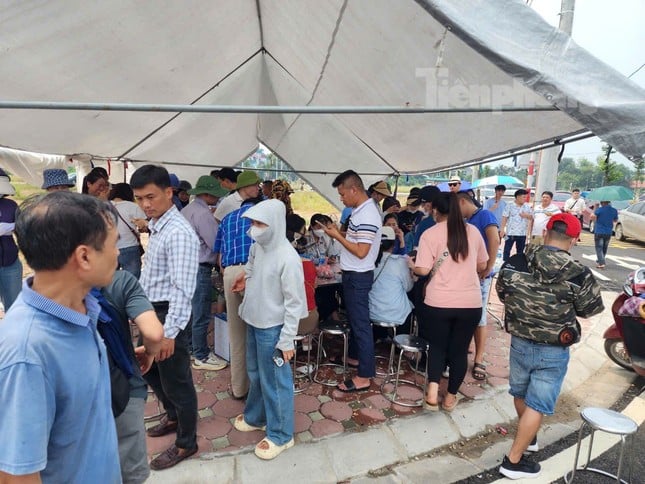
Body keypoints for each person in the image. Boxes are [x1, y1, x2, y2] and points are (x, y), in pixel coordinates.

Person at [0, 192, 121, 482]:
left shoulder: (81, 305)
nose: (118, 253)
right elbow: (17, 475)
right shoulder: (27, 354)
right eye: (113, 244)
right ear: (84, 256)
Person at [496, 213, 603, 479]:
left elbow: (502, 293)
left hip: (519, 342)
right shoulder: (579, 274)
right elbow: (589, 310)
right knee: (538, 404)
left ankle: (527, 437)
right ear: (575, 240)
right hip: (553, 350)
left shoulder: (515, 262)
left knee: (520, 393)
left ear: (545, 233)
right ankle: (513, 461)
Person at [130, 164, 200, 471]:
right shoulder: (158, 223)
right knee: (149, 369)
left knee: (177, 380)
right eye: (139, 198)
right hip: (151, 312)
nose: (145, 204)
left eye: (151, 196)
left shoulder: (179, 232)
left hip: (167, 314)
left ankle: (187, 442)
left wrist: (170, 332)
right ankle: (172, 416)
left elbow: (182, 289)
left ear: (169, 193)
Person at [231, 199, 307, 460]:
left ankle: (281, 434)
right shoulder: (258, 246)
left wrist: (286, 341)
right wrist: (244, 279)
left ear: (274, 224)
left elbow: (295, 303)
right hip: (254, 319)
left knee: (276, 381)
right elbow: (252, 268)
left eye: (259, 223)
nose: (254, 228)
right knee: (256, 373)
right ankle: (257, 416)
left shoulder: (288, 258)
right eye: (252, 223)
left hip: (273, 328)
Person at [412, 192, 488, 412]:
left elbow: (423, 269)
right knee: (458, 351)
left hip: (439, 302)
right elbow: (482, 265)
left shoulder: (430, 233)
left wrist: (413, 265)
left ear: (435, 210)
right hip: (470, 303)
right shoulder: (472, 232)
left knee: (436, 346)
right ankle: (450, 398)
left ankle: (433, 393)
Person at [98, 270, 164, 484]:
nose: (117, 251)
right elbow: (154, 334)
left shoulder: (54, 295)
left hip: (86, 403)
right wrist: (150, 353)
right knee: (131, 473)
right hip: (124, 391)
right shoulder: (119, 281)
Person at [319, 170, 381, 393]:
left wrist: (337, 237)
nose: (341, 198)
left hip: (358, 275)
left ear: (354, 190)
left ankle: (364, 376)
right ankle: (355, 357)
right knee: (356, 322)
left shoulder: (367, 214)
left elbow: (362, 251)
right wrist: (339, 233)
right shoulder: (360, 211)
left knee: (361, 324)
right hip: (353, 274)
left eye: (343, 194)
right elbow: (356, 242)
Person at [213, 194, 263, 399]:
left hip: (231, 271)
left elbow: (219, 256)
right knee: (261, 331)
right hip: (256, 270)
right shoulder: (262, 216)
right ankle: (260, 388)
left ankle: (239, 389)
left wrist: (229, 273)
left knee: (237, 332)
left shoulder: (227, 219)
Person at [181, 175, 229, 371]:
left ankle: (192, 348)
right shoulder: (203, 215)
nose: (218, 198)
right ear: (207, 194)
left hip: (185, 266)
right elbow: (214, 242)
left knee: (191, 312)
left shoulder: (186, 210)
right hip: (200, 267)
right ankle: (201, 355)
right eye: (216, 195)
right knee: (201, 312)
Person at [457, 192, 500, 381]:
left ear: (463, 201)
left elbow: (495, 240)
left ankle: (479, 358)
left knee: (480, 318)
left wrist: (488, 267)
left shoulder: (484, 215)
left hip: (480, 275)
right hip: (467, 276)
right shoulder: (468, 220)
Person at [369, 226, 414, 327]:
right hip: (397, 315)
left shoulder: (368, 261)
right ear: (394, 245)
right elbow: (408, 288)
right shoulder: (400, 262)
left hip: (372, 312)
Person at [109, 182, 147, 278]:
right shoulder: (133, 206)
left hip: (109, 249)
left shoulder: (105, 206)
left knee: (110, 281)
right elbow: (144, 226)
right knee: (132, 281)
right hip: (130, 247)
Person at [0, 170, 22, 310]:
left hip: (10, 262)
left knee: (14, 306)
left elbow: (22, 231)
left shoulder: (11, 205)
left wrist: (15, 226)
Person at [500, 188, 533, 261]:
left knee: (520, 251)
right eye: (523, 197)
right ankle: (505, 263)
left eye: (526, 197)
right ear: (517, 197)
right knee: (507, 249)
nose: (525, 199)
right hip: (510, 233)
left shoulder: (527, 206)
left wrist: (526, 215)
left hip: (522, 233)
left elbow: (531, 217)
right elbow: (504, 217)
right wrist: (502, 229)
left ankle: (518, 264)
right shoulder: (510, 205)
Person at [590, 200, 618, 269]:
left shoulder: (599, 209)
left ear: (602, 203)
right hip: (608, 232)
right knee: (604, 247)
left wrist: (595, 208)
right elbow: (615, 220)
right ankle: (600, 260)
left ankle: (601, 263)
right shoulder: (614, 210)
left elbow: (592, 217)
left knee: (599, 247)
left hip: (599, 231)